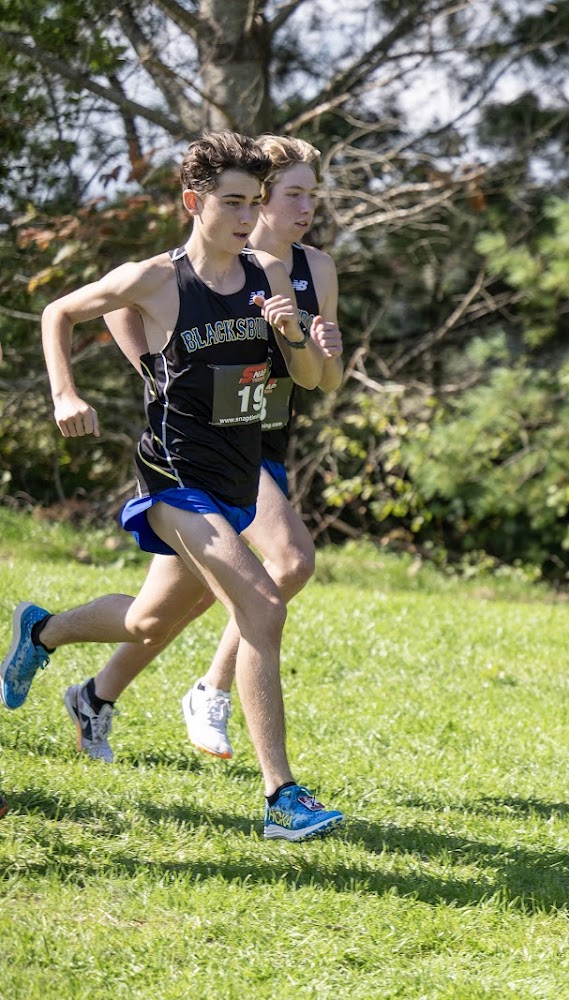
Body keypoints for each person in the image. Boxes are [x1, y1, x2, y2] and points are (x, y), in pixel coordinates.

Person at [0, 131, 344, 842]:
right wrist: (65, 393)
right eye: (233, 203)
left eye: (254, 202)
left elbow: (309, 379)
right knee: (262, 605)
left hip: (237, 479)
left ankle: (41, 631)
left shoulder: (268, 272)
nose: (247, 217)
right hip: (174, 479)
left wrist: (293, 337)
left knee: (148, 623)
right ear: (194, 202)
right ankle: (282, 797)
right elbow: (58, 311)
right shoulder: (155, 279)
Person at [76, 134, 343, 764]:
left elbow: (323, 379)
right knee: (288, 564)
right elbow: (117, 305)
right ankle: (214, 693)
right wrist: (155, 372)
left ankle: (88, 685)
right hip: (203, 448)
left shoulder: (312, 269)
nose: (306, 207)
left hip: (263, 440)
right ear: (259, 198)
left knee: (161, 612)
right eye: (293, 194)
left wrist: (319, 348)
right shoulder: (208, 260)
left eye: (313, 194)